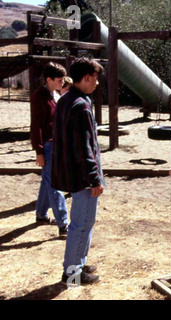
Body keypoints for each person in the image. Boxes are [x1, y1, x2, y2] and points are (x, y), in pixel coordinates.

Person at [52, 58, 105, 286]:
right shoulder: (81, 106)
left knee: (83, 222)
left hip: (73, 174)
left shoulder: (66, 99)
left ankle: (79, 264)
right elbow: (84, 149)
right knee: (81, 224)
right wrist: (94, 179)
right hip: (83, 178)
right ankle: (72, 274)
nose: (97, 83)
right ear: (86, 77)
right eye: (95, 79)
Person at [30, 62, 69, 235]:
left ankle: (41, 214)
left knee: (48, 180)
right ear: (49, 79)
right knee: (55, 183)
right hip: (47, 145)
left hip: (55, 144)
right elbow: (36, 125)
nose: (63, 82)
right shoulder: (40, 96)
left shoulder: (54, 94)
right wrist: (38, 151)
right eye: (60, 80)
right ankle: (63, 223)